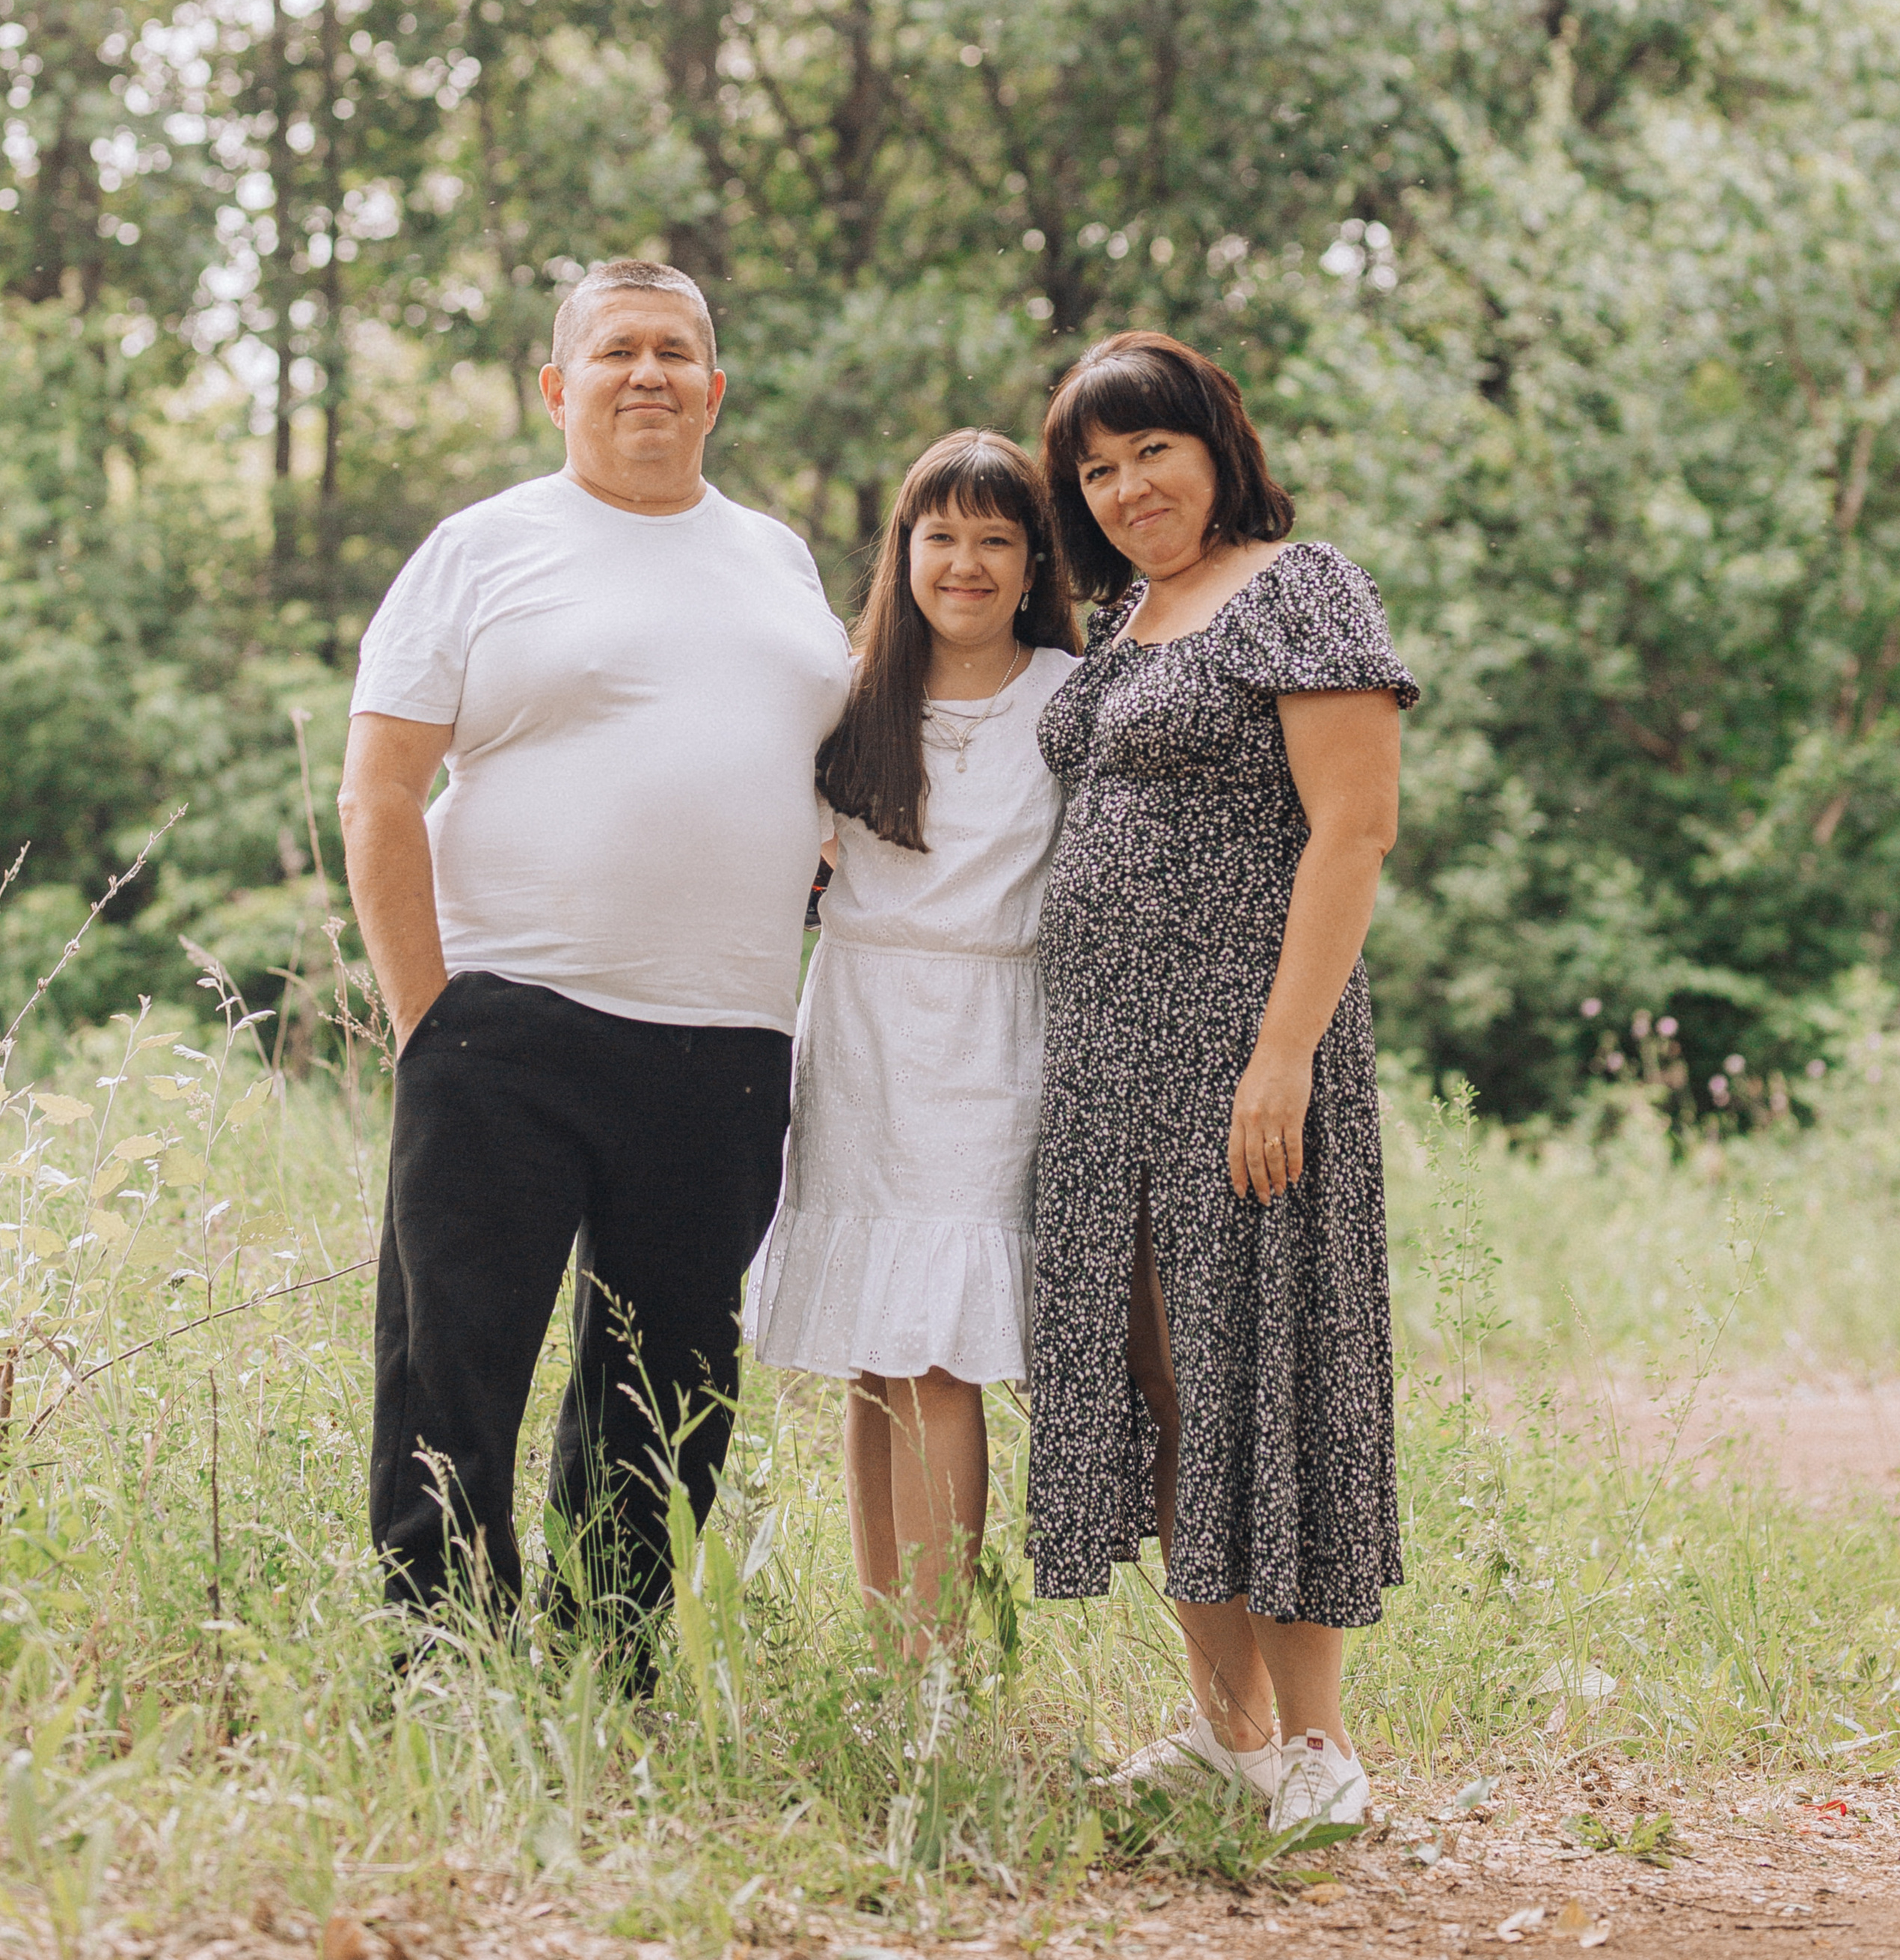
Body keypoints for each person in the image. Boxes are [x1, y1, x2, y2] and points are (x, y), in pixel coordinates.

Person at [338, 257, 849, 1655]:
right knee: (458, 1367)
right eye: (618, 350)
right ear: (559, 387)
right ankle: (439, 1655)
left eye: (677, 352)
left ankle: (607, 1659)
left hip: (731, 1042)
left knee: (672, 1380)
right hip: (507, 1021)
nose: (650, 375)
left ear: (716, 389)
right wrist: (425, 1022)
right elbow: (377, 793)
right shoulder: (484, 546)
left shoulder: (779, 560)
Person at [1028, 331, 1418, 1830]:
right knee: (1161, 1383)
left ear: (1213, 445)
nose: (1128, 487)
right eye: (1098, 468)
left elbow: (1352, 829)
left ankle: (1316, 1749)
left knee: (1267, 1368)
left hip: (1240, 1048)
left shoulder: (1297, 583)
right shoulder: (1127, 617)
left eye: (1152, 453)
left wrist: (1280, 1054)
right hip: (1101, 1066)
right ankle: (1224, 1733)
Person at [749, 432, 1079, 1658]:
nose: (968, 562)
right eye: (942, 535)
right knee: (874, 1352)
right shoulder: (851, 691)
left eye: (996, 537)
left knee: (941, 1348)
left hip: (989, 1034)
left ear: (1035, 557)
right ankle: (890, 1649)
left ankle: (939, 1660)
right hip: (857, 1027)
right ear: (906, 549)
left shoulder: (1066, 696)